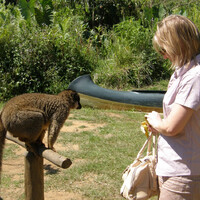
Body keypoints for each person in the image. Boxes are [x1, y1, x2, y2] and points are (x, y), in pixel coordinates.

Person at [145, 15, 200, 200]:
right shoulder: (183, 71)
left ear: (179, 44)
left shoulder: (194, 76)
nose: (163, 54)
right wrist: (161, 124)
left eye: (164, 48)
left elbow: (172, 127)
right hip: (175, 167)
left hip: (183, 172)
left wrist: (157, 121)